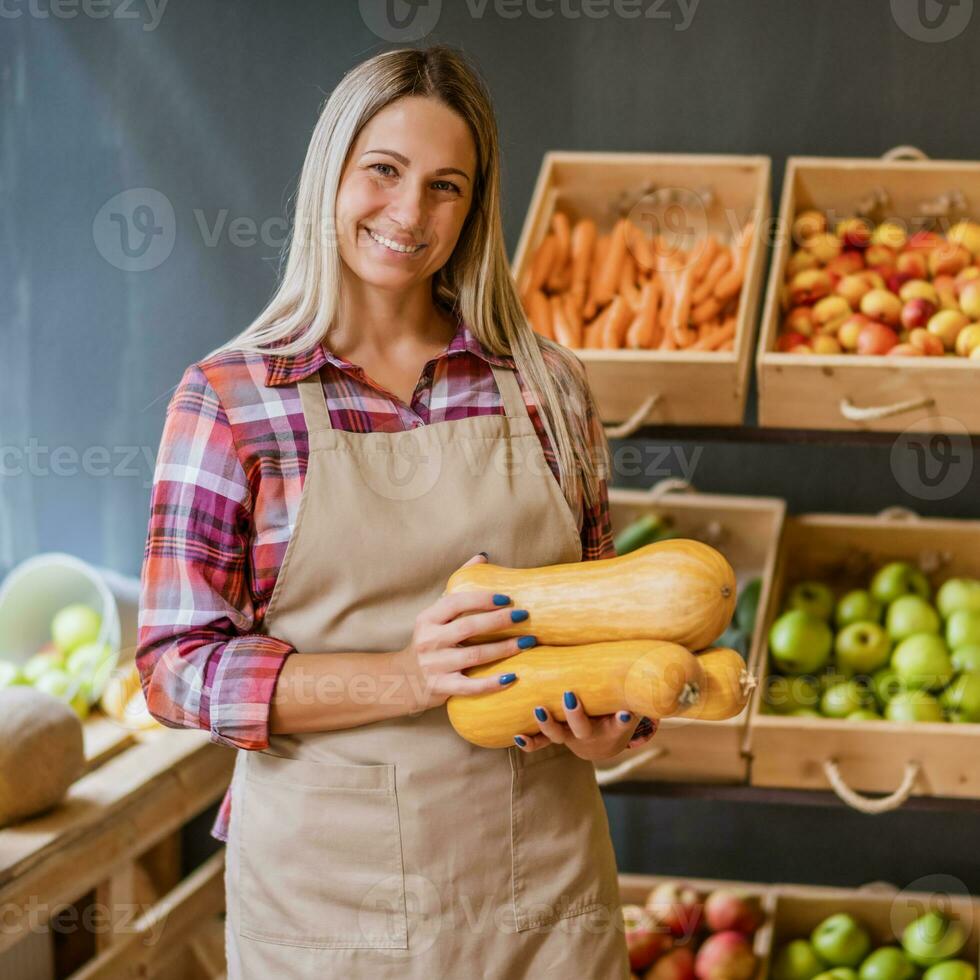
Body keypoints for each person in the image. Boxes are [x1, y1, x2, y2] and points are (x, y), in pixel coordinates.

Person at [137, 43, 656, 979]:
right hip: (331, 910)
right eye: (384, 171)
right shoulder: (230, 401)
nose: (409, 214)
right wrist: (406, 677)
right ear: (331, 173)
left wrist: (614, 725)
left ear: (476, 205)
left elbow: (601, 628)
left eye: (446, 186)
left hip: (544, 896)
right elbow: (177, 670)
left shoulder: (548, 389)